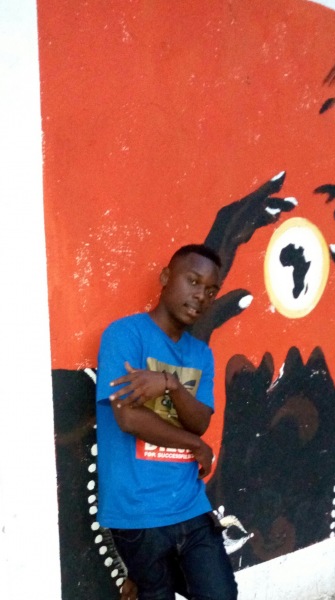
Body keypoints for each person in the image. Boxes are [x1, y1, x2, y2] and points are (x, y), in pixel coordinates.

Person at [95, 244, 238, 600]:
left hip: (190, 505)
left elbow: (200, 421)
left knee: (221, 594)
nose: (201, 296)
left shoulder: (201, 353)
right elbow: (128, 417)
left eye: (211, 290)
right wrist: (194, 445)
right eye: (193, 281)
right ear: (165, 277)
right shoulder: (124, 335)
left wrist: (170, 384)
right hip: (137, 513)